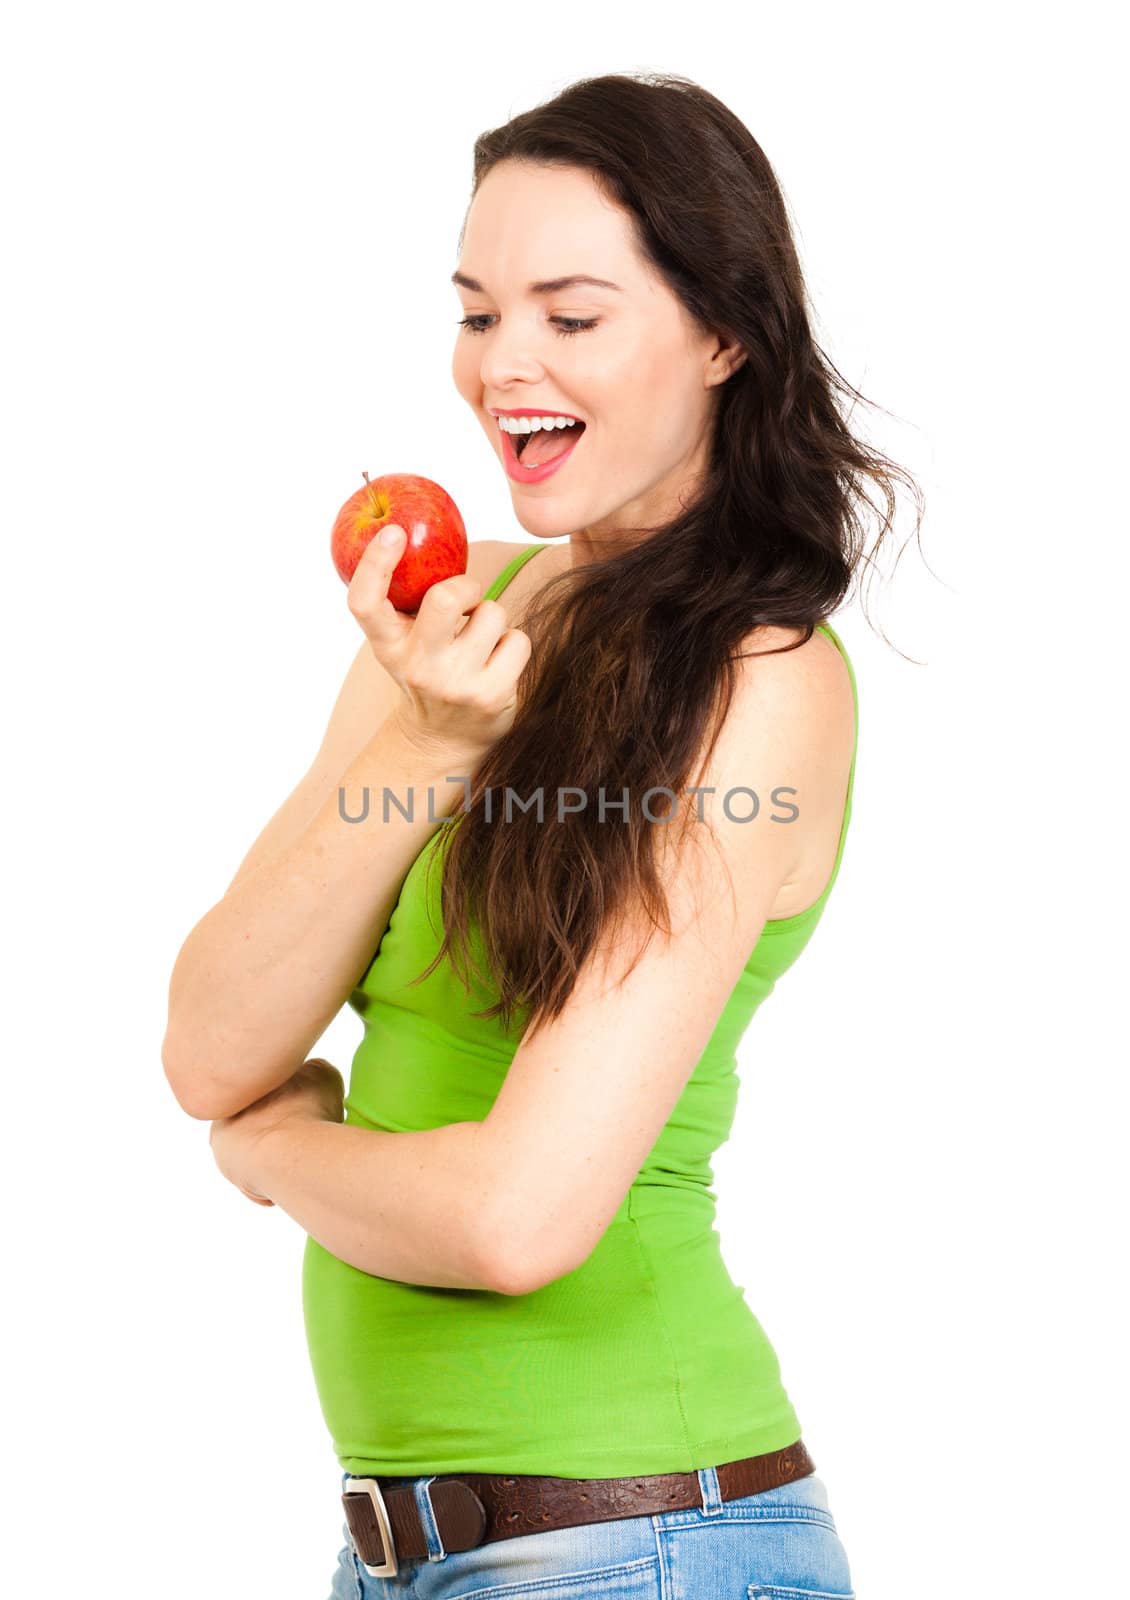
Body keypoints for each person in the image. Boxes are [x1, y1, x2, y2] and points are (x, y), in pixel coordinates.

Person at [164, 71, 920, 1599]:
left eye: (570, 319)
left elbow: (518, 1219)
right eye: (476, 312)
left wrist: (277, 1152)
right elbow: (210, 1041)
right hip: (405, 1554)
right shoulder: (468, 624)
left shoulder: (760, 684)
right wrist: (435, 735)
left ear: (722, 335)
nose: (504, 366)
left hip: (642, 1544)